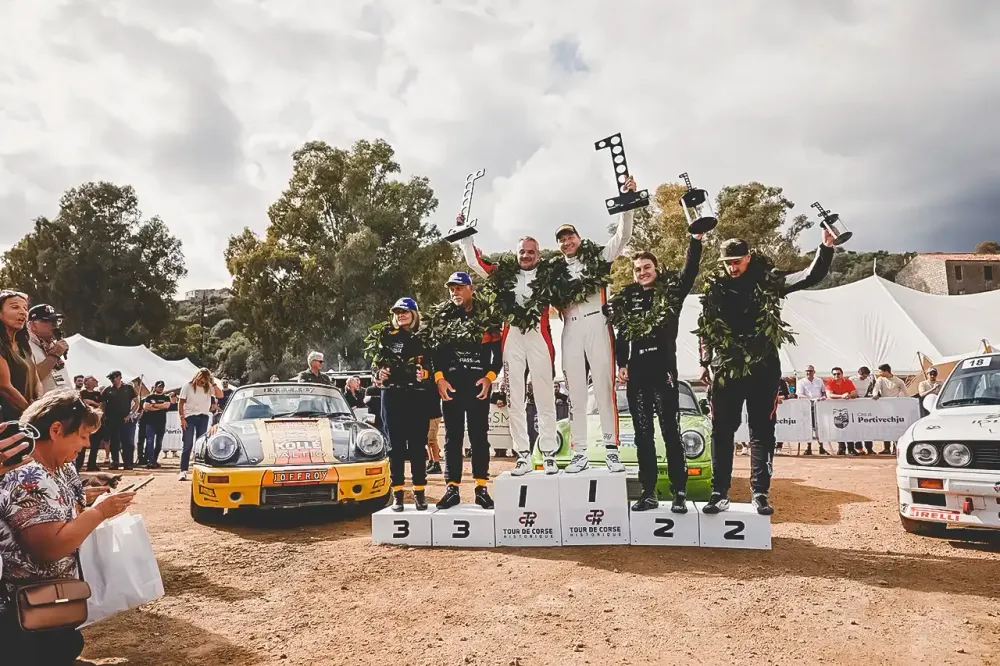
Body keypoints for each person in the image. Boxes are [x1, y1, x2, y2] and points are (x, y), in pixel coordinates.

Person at [697, 230, 835, 515]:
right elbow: (705, 328)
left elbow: (808, 276)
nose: (732, 267)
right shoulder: (716, 287)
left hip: (763, 367)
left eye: (737, 261)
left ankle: (760, 493)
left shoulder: (768, 280)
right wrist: (705, 361)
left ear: (748, 257)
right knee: (722, 432)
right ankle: (719, 493)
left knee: (762, 431)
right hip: (726, 369)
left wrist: (825, 247)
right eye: (727, 263)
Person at [0, 390, 135, 665]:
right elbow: (51, 548)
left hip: (51, 607)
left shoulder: (62, 468)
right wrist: (101, 511)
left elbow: (65, 510)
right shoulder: (26, 475)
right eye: (83, 436)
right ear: (56, 430)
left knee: (65, 647)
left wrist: (88, 496)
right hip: (24, 615)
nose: (87, 444)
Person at [542, 176, 638, 474]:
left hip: (599, 323)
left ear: (579, 237)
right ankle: (579, 452)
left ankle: (611, 450)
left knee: (605, 388)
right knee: (575, 394)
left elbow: (623, 237)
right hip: (570, 327)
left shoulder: (597, 256)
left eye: (570, 236)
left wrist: (627, 203)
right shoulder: (554, 270)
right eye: (561, 239)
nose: (566, 242)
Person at [610, 232, 703, 513]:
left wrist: (695, 240)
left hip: (664, 372)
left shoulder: (670, 291)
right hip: (637, 373)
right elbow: (621, 332)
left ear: (656, 268)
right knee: (642, 434)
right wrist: (621, 363)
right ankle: (648, 492)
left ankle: (679, 491)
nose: (642, 272)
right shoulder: (627, 296)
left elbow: (689, 272)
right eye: (637, 269)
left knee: (670, 432)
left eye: (647, 267)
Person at [457, 225, 559, 476]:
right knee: (514, 400)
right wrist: (465, 236)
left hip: (540, 339)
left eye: (531, 252)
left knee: (545, 399)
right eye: (522, 251)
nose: (526, 255)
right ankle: (522, 454)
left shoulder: (549, 275)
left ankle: (548, 453)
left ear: (539, 255)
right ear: (516, 254)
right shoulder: (504, 274)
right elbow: (475, 263)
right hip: (512, 340)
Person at [426, 271, 502, 509]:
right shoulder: (442, 317)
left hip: (478, 387)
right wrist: (439, 379)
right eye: (451, 289)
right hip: (452, 387)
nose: (454, 292)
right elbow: (434, 354)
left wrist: (489, 378)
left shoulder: (487, 317)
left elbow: (498, 355)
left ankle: (481, 488)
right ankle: (452, 489)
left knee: (479, 438)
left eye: (459, 288)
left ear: (471, 289)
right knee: (452, 438)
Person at [366, 298, 433, 512]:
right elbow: (374, 366)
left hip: (416, 396)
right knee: (394, 447)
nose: (401, 315)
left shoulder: (425, 336)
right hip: (391, 396)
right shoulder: (385, 336)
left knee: (417, 446)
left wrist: (425, 374)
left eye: (405, 311)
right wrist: (378, 373)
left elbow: (434, 365)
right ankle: (397, 494)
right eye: (397, 312)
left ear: (414, 314)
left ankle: (419, 492)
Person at [0, 290, 39, 422]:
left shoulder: (24, 346)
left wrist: (39, 402)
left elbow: (37, 381)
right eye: (15, 307)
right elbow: (4, 387)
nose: (23, 312)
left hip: (27, 419)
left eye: (25, 308)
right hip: (7, 422)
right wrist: (32, 412)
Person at [178, 368, 223, 481]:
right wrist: (182, 418)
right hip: (189, 417)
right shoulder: (187, 386)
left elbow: (220, 395)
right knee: (187, 444)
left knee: (201, 445)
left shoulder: (208, 387)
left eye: (204, 381)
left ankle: (199, 471)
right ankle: (183, 471)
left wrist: (213, 383)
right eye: (201, 381)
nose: (202, 383)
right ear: (197, 377)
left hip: (203, 417)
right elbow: (181, 402)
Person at [26, 304, 70, 396]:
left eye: (56, 321)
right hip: (46, 403)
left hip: (66, 400)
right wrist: (54, 355)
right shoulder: (25, 346)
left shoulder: (53, 345)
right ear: (32, 325)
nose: (54, 325)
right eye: (47, 321)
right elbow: (29, 379)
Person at [99, 370, 139, 470]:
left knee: (127, 442)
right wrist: (103, 414)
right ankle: (115, 462)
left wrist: (131, 414)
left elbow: (136, 402)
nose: (112, 380)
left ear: (119, 377)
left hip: (125, 419)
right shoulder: (108, 389)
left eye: (114, 378)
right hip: (111, 419)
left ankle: (128, 463)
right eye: (111, 379)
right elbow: (102, 403)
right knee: (114, 441)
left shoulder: (128, 388)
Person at [871, 363, 906, 455]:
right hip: (884, 407)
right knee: (885, 427)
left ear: (886, 371)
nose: (879, 373)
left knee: (895, 427)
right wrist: (875, 394)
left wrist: (906, 402)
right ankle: (886, 448)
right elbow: (876, 388)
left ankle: (895, 448)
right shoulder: (880, 379)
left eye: (881, 372)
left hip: (895, 408)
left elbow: (906, 392)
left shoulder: (898, 381)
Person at [826, 367, 859, 456]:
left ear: (842, 374)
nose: (836, 375)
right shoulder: (830, 382)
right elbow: (829, 395)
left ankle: (851, 448)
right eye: (834, 374)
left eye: (838, 374)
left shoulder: (848, 382)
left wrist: (849, 395)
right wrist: (842, 396)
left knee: (849, 428)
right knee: (839, 428)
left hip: (849, 409)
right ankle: (841, 448)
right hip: (835, 410)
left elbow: (854, 393)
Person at [797, 366, 829, 456]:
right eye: (807, 371)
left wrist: (823, 397)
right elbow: (799, 394)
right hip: (807, 407)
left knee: (820, 427)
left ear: (814, 372)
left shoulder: (819, 380)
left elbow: (823, 391)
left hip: (818, 407)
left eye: (810, 371)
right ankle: (809, 447)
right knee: (809, 427)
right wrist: (810, 399)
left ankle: (821, 447)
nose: (808, 372)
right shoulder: (801, 382)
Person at [139, 380, 171, 469]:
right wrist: (160, 407)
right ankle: (150, 461)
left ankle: (154, 460)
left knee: (159, 443)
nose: (161, 388)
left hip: (161, 423)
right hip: (150, 423)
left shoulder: (166, 397)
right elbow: (145, 407)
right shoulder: (150, 397)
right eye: (159, 386)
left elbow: (166, 405)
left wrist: (153, 406)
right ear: (155, 387)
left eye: (162, 387)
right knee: (150, 442)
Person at [76, 376, 104, 471]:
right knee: (83, 444)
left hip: (96, 421)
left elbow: (101, 405)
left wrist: (91, 402)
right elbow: (82, 402)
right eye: (93, 380)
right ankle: (79, 464)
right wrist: (93, 403)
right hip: (84, 421)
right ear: (87, 382)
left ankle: (92, 464)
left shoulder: (97, 394)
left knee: (95, 444)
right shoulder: (82, 393)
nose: (96, 381)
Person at [426, 391, 443, 475]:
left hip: (433, 415)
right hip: (429, 415)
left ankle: (436, 463)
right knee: (428, 441)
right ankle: (431, 461)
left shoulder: (432, 387)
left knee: (432, 440)